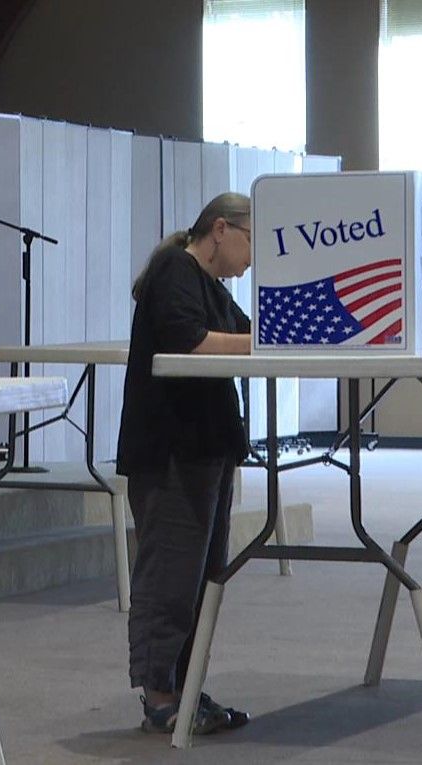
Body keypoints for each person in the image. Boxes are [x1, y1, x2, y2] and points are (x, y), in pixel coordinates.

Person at [116, 192, 254, 735]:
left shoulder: (213, 289)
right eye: (250, 243)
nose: (250, 260)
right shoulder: (175, 269)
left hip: (206, 450)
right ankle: (159, 694)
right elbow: (190, 344)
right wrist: (259, 345)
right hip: (171, 451)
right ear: (220, 229)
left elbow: (248, 331)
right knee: (169, 581)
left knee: (202, 580)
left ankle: (187, 684)